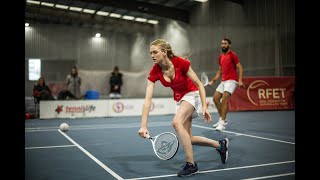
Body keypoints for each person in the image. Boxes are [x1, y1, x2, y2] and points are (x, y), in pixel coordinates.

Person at [138, 39, 229, 177]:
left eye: (155, 52)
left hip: (193, 95)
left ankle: (191, 165)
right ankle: (220, 145)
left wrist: (204, 106)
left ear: (164, 52)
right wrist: (143, 126)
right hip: (180, 100)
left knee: (176, 122)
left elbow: (199, 84)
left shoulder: (181, 63)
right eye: (150, 53)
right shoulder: (155, 71)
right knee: (189, 138)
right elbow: (147, 100)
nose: (152, 55)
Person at [208, 38, 245, 131]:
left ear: (229, 45)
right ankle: (222, 119)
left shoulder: (232, 55)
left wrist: (240, 80)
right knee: (215, 99)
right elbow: (219, 71)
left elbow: (240, 68)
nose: (223, 45)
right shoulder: (221, 57)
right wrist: (213, 80)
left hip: (232, 80)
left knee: (224, 99)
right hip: (223, 81)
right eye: (222, 43)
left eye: (225, 43)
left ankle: (222, 122)